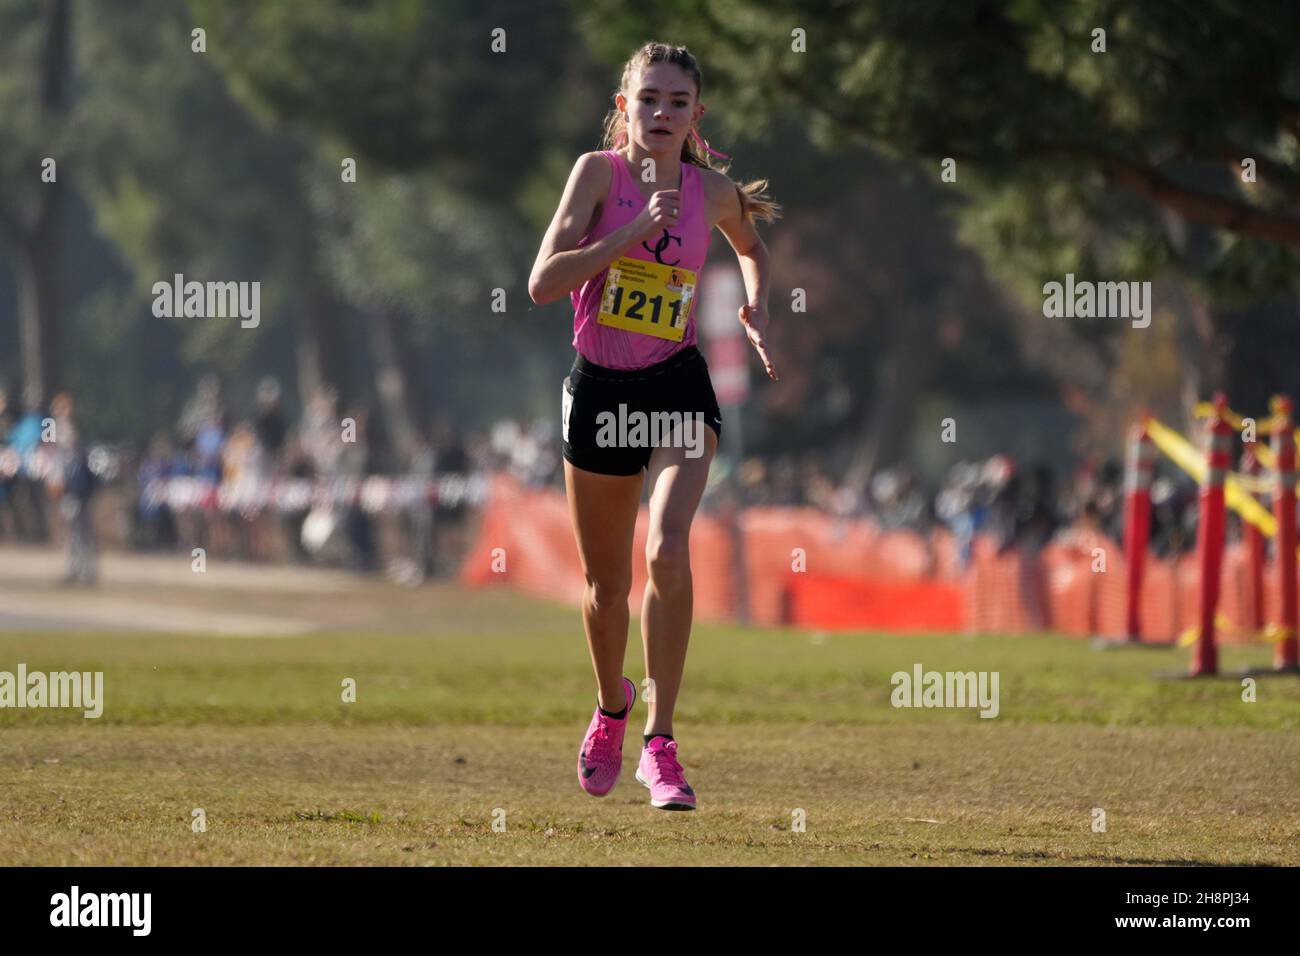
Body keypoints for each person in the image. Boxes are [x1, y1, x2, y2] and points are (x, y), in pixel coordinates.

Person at [528, 41, 780, 810]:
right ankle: (612, 709)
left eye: (677, 102)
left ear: (696, 115)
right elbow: (542, 283)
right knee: (608, 587)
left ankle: (661, 745)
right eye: (648, 100)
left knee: (668, 548)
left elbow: (751, 245)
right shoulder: (596, 175)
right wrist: (627, 237)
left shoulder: (714, 191)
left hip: (675, 384)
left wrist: (756, 301)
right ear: (624, 107)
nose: (662, 113)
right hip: (600, 389)